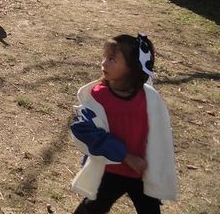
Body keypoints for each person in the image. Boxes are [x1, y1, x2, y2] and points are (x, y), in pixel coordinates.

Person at [70, 34, 177, 213]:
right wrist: (125, 156)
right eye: (104, 57)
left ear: (133, 68)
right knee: (92, 209)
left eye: (112, 59)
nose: (103, 63)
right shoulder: (98, 96)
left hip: (142, 172)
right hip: (110, 170)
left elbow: (159, 135)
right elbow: (84, 130)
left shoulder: (149, 98)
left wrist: (154, 162)